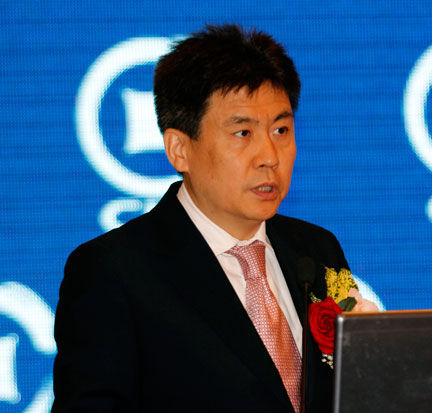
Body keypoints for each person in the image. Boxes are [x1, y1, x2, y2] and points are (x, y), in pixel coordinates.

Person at [53, 24, 363, 412]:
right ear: (179, 149)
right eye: (243, 133)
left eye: (281, 129)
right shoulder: (113, 272)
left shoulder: (316, 250)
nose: (270, 156)